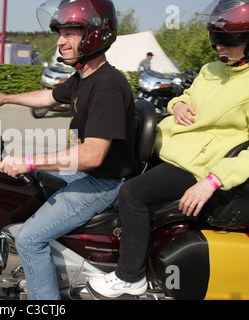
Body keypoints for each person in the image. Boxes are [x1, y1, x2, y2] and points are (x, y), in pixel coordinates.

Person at [87, 0, 249, 298]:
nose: (218, 47)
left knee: (132, 194)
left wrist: (213, 180)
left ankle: (129, 276)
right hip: (167, 147)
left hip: (197, 166)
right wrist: (178, 105)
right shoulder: (212, 68)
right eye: (215, 38)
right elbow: (185, 96)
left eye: (228, 40)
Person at [0, 0, 136, 300]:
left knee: (30, 240)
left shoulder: (108, 86)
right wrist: (5, 98)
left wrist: (28, 161)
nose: (60, 41)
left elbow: (92, 155)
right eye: (61, 33)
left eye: (70, 33)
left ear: (95, 34)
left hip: (102, 181)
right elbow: (48, 97)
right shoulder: (85, 77)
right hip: (86, 172)